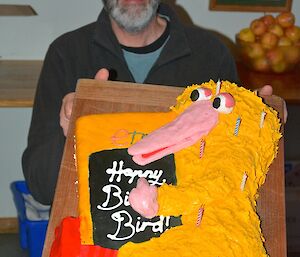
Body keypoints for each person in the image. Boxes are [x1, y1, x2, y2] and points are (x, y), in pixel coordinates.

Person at [22, 0, 281, 206]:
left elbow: (233, 172)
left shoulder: (210, 53)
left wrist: (258, 126)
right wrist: (68, 135)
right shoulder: (66, 53)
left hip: (184, 230)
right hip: (95, 232)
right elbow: (41, 188)